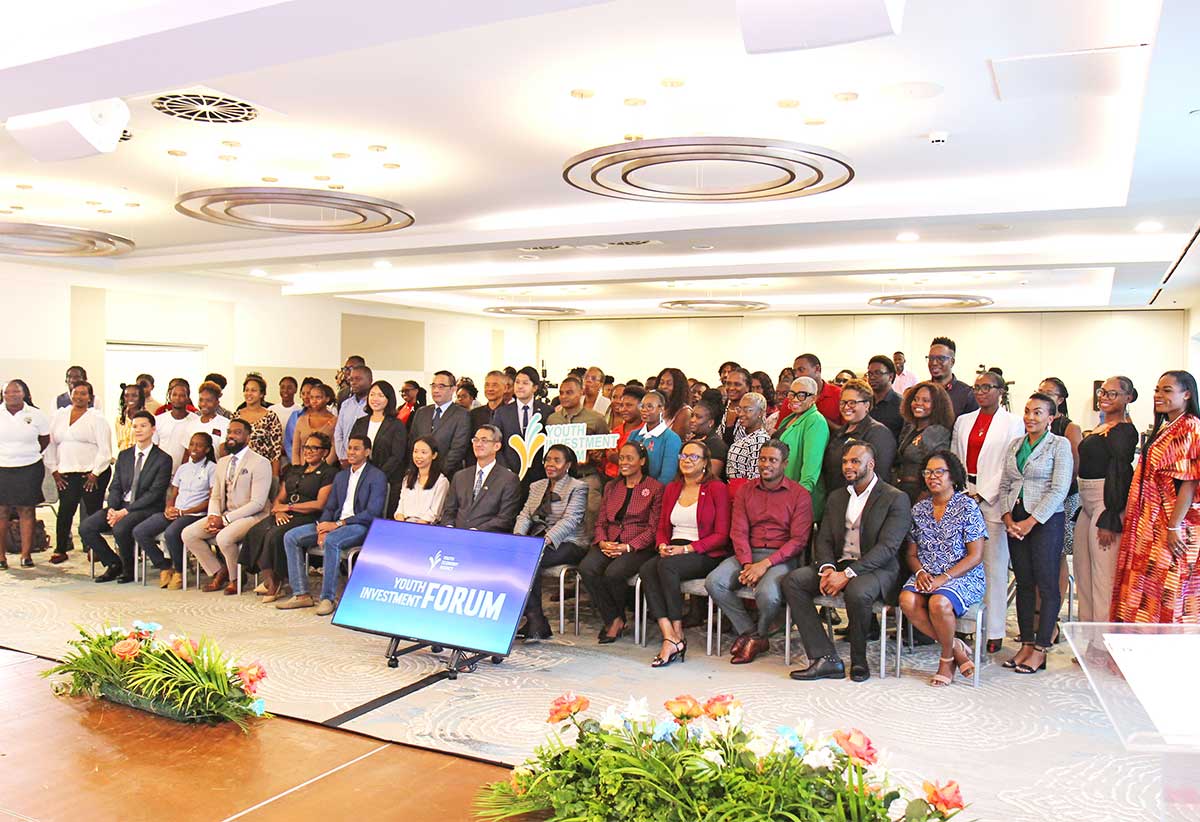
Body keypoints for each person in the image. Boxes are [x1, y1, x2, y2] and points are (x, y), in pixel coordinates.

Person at [784, 442, 911, 683]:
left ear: (870, 465)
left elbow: (888, 548)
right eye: (845, 462)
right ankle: (825, 657)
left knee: (858, 592)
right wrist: (828, 568)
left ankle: (859, 660)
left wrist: (848, 574)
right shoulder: (837, 496)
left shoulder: (895, 498)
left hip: (878, 569)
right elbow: (824, 538)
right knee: (794, 581)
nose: (848, 466)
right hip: (840, 564)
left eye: (855, 461)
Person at [706, 439, 812, 664]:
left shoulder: (799, 495)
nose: (766, 465)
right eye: (762, 459)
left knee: (768, 594)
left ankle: (758, 633)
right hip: (747, 554)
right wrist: (746, 564)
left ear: (784, 463)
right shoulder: (746, 490)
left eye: (772, 460)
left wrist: (764, 565)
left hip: (781, 558)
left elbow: (798, 540)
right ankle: (753, 635)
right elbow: (739, 531)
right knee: (714, 581)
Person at [1111, 370, 1200, 625]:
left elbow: (1190, 482)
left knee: (1167, 591)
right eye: (1157, 390)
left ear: (1187, 394)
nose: (1159, 395)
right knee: (1146, 589)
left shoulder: (1191, 426)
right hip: (1152, 523)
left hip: (1172, 524)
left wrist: (1173, 526)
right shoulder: (1168, 426)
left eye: (1167, 390)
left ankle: (1163, 656)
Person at [899, 451, 988, 687]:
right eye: (928, 472)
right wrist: (920, 573)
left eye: (940, 471)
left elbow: (976, 555)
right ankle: (957, 647)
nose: (933, 477)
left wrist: (944, 578)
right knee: (907, 600)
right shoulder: (919, 509)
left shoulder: (967, 506)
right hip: (926, 574)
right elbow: (911, 554)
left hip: (963, 575)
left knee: (939, 602)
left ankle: (946, 659)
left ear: (953, 475)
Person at [998, 393, 1073, 674]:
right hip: (1014, 520)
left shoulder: (1059, 445)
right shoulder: (1016, 444)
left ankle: (1042, 648)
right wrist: (1007, 517)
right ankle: (1026, 643)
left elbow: (1059, 489)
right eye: (1028, 411)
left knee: (1046, 584)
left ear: (1051, 417)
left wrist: (1030, 522)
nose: (1031, 417)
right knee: (1024, 583)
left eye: (1038, 413)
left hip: (1045, 522)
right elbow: (1006, 484)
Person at [951, 369, 1025, 652]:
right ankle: (965, 626)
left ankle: (993, 630)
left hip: (994, 499)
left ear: (1001, 391)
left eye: (987, 387)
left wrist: (982, 492)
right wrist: (961, 491)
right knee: (963, 563)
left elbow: (1010, 463)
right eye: (977, 387)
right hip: (964, 494)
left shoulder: (1012, 423)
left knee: (993, 567)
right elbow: (956, 457)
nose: (981, 392)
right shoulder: (964, 420)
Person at [639, 440, 731, 668]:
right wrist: (662, 544)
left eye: (694, 457)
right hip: (673, 548)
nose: (687, 460)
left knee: (665, 566)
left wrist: (686, 548)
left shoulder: (716, 488)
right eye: (683, 456)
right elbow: (662, 527)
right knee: (647, 568)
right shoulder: (672, 488)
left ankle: (677, 633)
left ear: (705, 463)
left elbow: (721, 535)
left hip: (704, 551)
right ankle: (668, 633)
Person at [277, 433, 388, 614]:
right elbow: (330, 506)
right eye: (349, 448)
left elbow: (372, 513)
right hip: (334, 523)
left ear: (367, 452)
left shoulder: (377, 476)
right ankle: (301, 595)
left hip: (360, 526)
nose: (351, 452)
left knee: (332, 540)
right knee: (291, 536)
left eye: (356, 448)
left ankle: (327, 598)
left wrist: (338, 525)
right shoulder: (342, 476)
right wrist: (322, 526)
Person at [579, 441, 664, 644]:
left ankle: (617, 619)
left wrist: (628, 547)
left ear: (642, 461)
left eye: (629, 458)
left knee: (613, 573)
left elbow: (653, 528)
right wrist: (601, 542)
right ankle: (614, 618)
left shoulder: (654, 488)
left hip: (638, 545)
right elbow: (601, 521)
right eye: (621, 458)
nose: (623, 462)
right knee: (587, 568)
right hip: (610, 541)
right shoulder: (612, 486)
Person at [239, 432, 337, 602]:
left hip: (308, 516)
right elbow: (280, 498)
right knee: (256, 531)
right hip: (285, 513)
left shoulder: (329, 472)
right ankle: (269, 578)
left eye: (315, 448)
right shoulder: (295, 469)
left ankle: (277, 581)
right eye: (307, 447)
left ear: (325, 452)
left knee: (274, 535)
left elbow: (319, 504)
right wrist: (279, 510)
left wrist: (289, 507)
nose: (309, 451)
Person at [181, 418, 273, 594]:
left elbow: (258, 503)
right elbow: (215, 495)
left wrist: (224, 520)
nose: (231, 436)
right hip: (224, 513)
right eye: (229, 432)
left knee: (224, 538)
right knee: (189, 534)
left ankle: (236, 578)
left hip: (253, 516)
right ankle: (219, 570)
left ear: (248, 437)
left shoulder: (260, 462)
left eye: (237, 432)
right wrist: (213, 516)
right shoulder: (223, 462)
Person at [1073, 377, 1138, 624]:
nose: (1105, 397)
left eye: (1113, 394)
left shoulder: (1124, 430)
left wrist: (1111, 516)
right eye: (1103, 392)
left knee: (1103, 578)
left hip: (1106, 501)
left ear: (1128, 398)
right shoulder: (1101, 427)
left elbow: (1121, 472)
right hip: (1086, 500)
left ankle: (1104, 643)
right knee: (1083, 574)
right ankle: (1089, 638)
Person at [79, 411, 172, 582]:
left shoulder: (163, 459)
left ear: (153, 429)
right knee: (86, 527)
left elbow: (155, 493)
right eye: (135, 426)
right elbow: (115, 485)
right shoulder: (124, 455)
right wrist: (113, 508)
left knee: (121, 528)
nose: (138, 430)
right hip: (121, 505)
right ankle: (114, 564)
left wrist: (125, 512)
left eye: (143, 426)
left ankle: (128, 570)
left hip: (146, 508)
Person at [513, 444, 589, 641]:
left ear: (568, 465)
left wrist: (545, 540)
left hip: (568, 542)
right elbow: (525, 515)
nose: (550, 464)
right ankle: (536, 619)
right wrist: (519, 538)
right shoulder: (536, 486)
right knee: (521, 558)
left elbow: (571, 520)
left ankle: (535, 620)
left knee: (531, 560)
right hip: (537, 541)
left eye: (557, 460)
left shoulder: (578, 487)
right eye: (548, 460)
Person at [131, 432, 218, 589]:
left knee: (171, 533)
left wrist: (185, 512)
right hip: (175, 512)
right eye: (192, 444)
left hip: (194, 515)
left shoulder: (213, 469)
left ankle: (179, 571)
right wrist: (169, 507)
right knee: (140, 531)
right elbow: (173, 492)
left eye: (199, 445)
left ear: (207, 449)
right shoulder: (183, 468)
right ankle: (164, 566)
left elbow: (211, 499)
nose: (194, 448)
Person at [44, 381, 112, 563]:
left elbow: (105, 450)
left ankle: (94, 548)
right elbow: (50, 444)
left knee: (92, 512)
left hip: (92, 474)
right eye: (76, 393)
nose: (79, 397)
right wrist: (54, 471)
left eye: (84, 393)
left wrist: (95, 473)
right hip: (66, 473)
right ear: (71, 394)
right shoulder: (59, 415)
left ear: (90, 397)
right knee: (65, 511)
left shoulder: (97, 418)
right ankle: (60, 549)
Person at [1039, 376, 1083, 631]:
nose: (1045, 396)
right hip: (1036, 499)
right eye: (1040, 391)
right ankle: (1039, 615)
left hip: (1063, 499)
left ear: (1061, 399)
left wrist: (1054, 497)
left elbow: (1074, 467)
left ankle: (1052, 618)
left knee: (1056, 557)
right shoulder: (1035, 425)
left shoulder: (1069, 427)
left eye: (1050, 393)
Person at [547, 375, 610, 540]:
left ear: (581, 392)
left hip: (586, 474)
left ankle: (590, 549)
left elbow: (605, 449)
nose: (564, 396)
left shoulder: (596, 419)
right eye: (561, 393)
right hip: (560, 478)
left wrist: (596, 454)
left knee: (590, 514)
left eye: (569, 392)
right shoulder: (553, 420)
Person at [0, 379, 51, 569]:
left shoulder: (36, 414)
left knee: (26, 510)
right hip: (2, 468)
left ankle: (26, 555)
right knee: (2, 511)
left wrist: (30, 453)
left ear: (24, 393)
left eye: (16, 392)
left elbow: (45, 439)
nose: (11, 395)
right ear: (3, 395)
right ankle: (1, 557)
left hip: (29, 467)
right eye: (7, 392)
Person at [822, 379, 897, 498]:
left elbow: (880, 475)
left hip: (863, 502)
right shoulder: (840, 432)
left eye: (852, 403)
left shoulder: (878, 433)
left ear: (866, 405)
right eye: (843, 402)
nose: (846, 407)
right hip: (836, 501)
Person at [441, 425, 522, 531]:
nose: (478, 444)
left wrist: (477, 531)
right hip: (455, 537)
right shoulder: (460, 476)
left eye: (484, 440)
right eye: (475, 440)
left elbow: (505, 518)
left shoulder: (508, 479)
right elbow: (449, 511)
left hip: (487, 539)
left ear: (497, 446)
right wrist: (449, 527)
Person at [776, 377, 831, 520]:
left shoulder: (815, 421)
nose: (795, 399)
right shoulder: (790, 418)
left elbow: (811, 469)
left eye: (802, 395)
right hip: (781, 495)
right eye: (792, 394)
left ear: (814, 398)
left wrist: (797, 501)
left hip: (798, 503)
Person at [350, 380, 408, 516]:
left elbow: (397, 455)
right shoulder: (360, 423)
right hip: (360, 477)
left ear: (389, 399)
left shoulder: (396, 425)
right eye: (372, 394)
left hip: (387, 478)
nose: (375, 399)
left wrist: (377, 476)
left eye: (380, 395)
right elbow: (353, 449)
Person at [894, 381, 955, 505]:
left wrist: (921, 502)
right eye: (916, 399)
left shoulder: (937, 432)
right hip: (903, 490)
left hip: (922, 494)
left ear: (936, 405)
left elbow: (936, 471)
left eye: (926, 401)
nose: (918, 404)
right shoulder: (911, 428)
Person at [495, 366, 554, 488]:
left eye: (525, 383)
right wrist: (504, 469)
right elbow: (497, 443)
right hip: (510, 473)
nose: (520, 386)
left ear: (535, 387)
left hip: (539, 474)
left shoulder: (547, 411)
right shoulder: (502, 413)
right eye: (517, 382)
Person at [408, 370, 472, 478]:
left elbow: (458, 449)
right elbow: (412, 443)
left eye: (441, 386)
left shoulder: (462, 415)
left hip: (447, 476)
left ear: (453, 389)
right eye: (433, 386)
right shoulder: (422, 412)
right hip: (419, 475)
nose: (436, 390)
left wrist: (436, 474)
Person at [628, 391, 682, 486]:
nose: (644, 410)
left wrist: (650, 493)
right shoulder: (634, 434)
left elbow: (667, 476)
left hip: (655, 491)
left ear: (662, 409)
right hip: (631, 485)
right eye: (642, 406)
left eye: (649, 407)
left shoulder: (671, 438)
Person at [233, 374, 283, 476]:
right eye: (246, 390)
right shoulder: (236, 415)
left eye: (253, 390)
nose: (249, 393)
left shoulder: (270, 417)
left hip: (262, 471)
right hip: (238, 470)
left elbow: (276, 452)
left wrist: (275, 477)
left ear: (262, 394)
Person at [396, 436, 450, 523]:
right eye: (415, 451)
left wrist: (416, 526)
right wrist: (400, 521)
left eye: (423, 452)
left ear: (434, 455)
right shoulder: (407, 478)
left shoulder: (441, 482)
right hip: (404, 523)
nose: (418, 456)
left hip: (426, 527)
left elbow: (434, 513)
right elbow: (400, 506)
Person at [725, 392, 771, 490]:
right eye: (739, 409)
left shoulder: (760, 439)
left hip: (745, 493)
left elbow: (756, 477)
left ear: (760, 413)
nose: (741, 414)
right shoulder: (742, 433)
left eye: (747, 410)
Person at [926, 337, 978, 418]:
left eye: (940, 358)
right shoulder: (921, 390)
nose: (934, 363)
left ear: (952, 362)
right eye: (931, 358)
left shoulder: (967, 394)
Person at [156, 379, 199, 471]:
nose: (177, 398)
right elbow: (154, 447)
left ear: (188, 398)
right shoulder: (159, 419)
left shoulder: (196, 421)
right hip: (160, 471)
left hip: (186, 471)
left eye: (182, 395)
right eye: (174, 395)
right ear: (170, 397)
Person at [293, 382, 338, 467]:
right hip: (302, 469)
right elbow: (295, 449)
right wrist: (297, 468)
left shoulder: (335, 421)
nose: (314, 401)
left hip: (325, 471)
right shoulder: (301, 420)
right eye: (312, 397)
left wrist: (322, 468)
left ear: (327, 399)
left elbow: (334, 449)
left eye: (318, 397)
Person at [333, 364, 371, 466]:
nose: (353, 383)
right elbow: (338, 432)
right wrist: (343, 456)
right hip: (345, 460)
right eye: (351, 379)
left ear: (370, 380)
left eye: (358, 379)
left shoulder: (374, 405)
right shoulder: (346, 404)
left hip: (367, 461)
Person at [793, 353, 842, 426]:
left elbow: (847, 432)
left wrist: (814, 415)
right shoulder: (792, 397)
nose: (796, 375)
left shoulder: (838, 394)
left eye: (801, 370)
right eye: (795, 371)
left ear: (817, 369)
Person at [186, 381, 230, 461]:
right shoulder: (192, 423)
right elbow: (186, 453)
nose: (203, 404)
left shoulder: (225, 424)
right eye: (201, 400)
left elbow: (224, 455)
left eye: (209, 401)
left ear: (217, 403)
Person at [687, 400, 727, 480]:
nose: (692, 420)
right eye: (692, 416)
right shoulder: (694, 439)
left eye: (698, 417)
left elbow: (710, 477)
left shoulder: (717, 445)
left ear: (711, 422)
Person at [865, 355, 903, 439]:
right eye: (870, 373)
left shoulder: (902, 405)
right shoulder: (864, 401)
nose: (872, 377)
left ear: (890, 376)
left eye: (877, 373)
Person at [284, 378, 319, 464]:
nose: (306, 397)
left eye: (309, 393)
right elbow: (288, 443)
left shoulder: (326, 417)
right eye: (303, 393)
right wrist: (296, 462)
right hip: (298, 463)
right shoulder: (295, 416)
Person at [655, 368, 692, 439]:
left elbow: (673, 441)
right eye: (661, 383)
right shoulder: (657, 407)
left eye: (669, 384)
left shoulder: (684, 411)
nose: (663, 387)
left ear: (678, 387)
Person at [718, 367, 751, 445]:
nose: (731, 388)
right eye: (728, 383)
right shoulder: (719, 408)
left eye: (737, 384)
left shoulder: (752, 412)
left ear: (747, 387)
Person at [114, 382, 147, 451]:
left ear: (140, 397)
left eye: (134, 396)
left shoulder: (148, 418)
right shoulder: (119, 419)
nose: (130, 398)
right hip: (123, 458)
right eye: (126, 396)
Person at [270, 377, 299, 445]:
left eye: (289, 388)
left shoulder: (300, 410)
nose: (285, 390)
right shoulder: (271, 410)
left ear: (296, 390)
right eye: (282, 387)